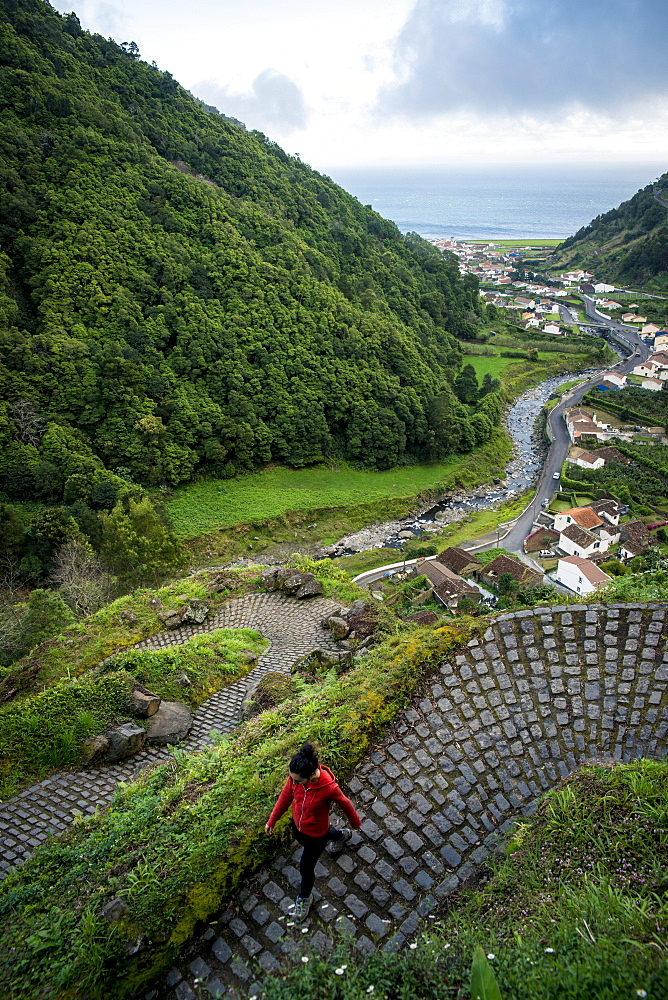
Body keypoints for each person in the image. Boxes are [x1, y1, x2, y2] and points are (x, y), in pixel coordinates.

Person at [265, 743, 362, 923]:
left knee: (306, 868)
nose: (293, 782)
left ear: (311, 776)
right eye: (292, 779)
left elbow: (345, 803)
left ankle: (305, 897)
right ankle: (340, 835)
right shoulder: (295, 779)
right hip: (299, 826)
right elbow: (285, 796)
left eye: (298, 781)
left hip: (316, 834)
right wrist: (272, 820)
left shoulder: (328, 788)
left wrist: (356, 821)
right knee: (326, 835)